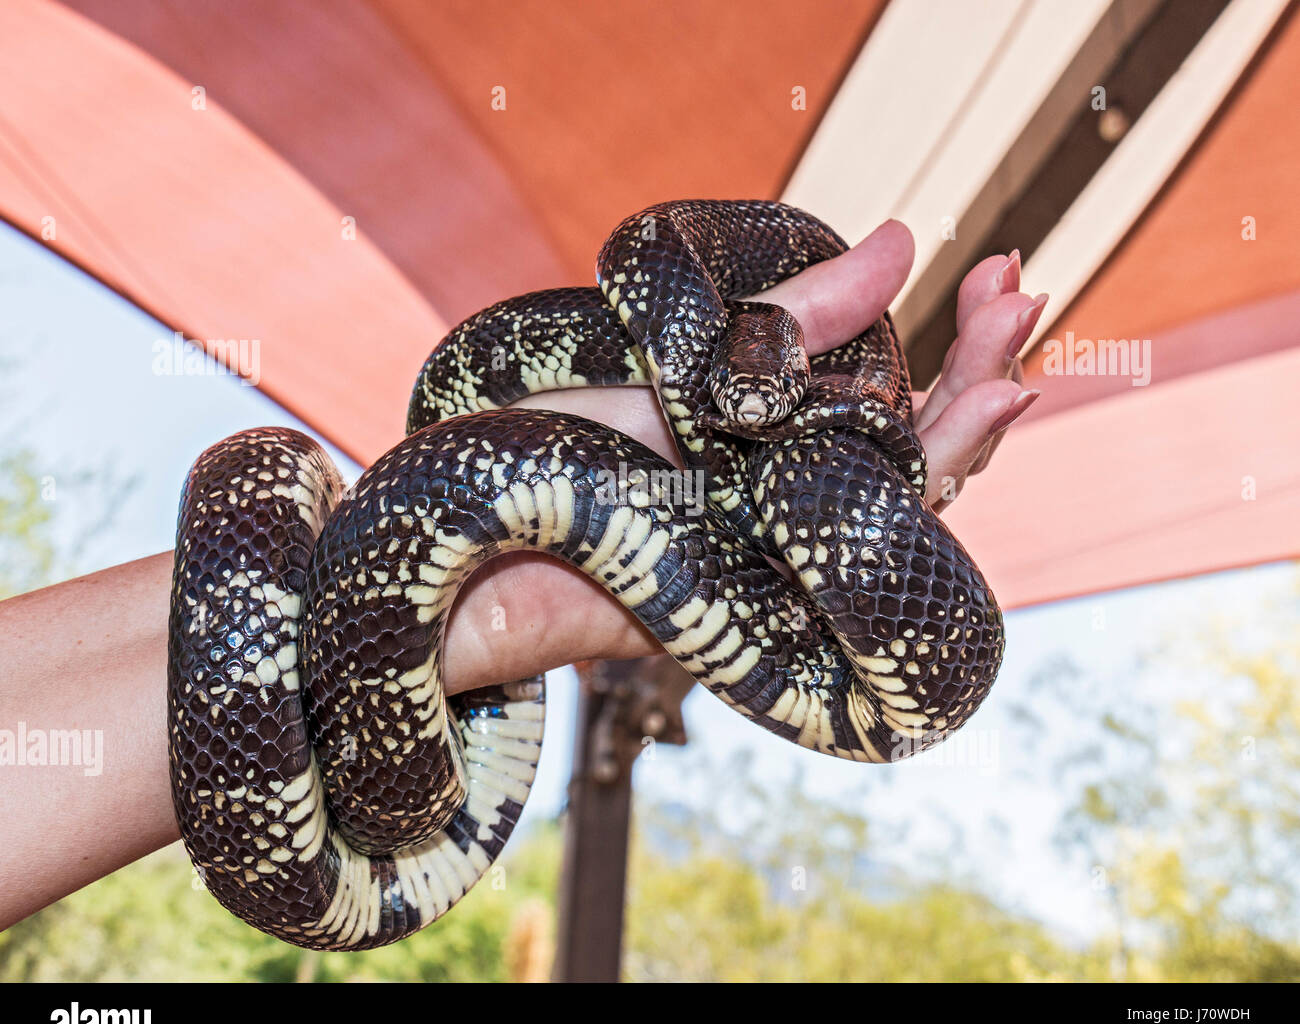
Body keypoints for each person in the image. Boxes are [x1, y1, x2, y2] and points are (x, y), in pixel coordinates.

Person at [0, 219, 1044, 929]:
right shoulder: (658, 262)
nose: (746, 420)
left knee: (265, 480)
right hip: (473, 499)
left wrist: (539, 546)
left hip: (474, 511)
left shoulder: (726, 343)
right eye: (734, 399)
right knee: (260, 475)